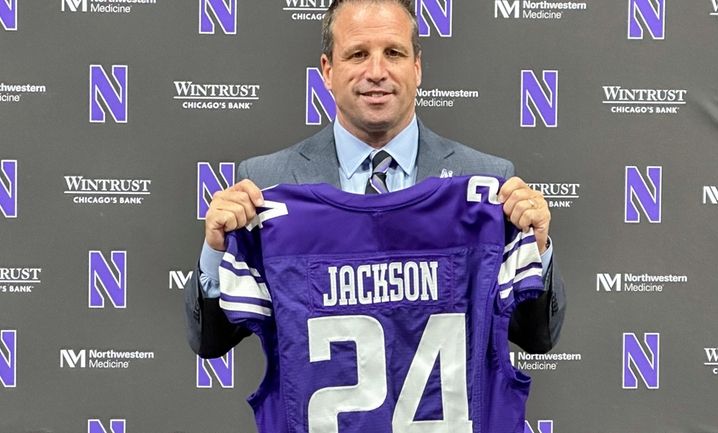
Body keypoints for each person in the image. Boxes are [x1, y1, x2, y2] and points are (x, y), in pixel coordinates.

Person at [185, 0, 565, 360]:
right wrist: (216, 251)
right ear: (327, 70)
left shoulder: (486, 183)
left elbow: (535, 336)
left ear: (417, 68)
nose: (377, 72)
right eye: (357, 54)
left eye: (394, 53)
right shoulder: (267, 183)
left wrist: (538, 247)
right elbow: (211, 342)